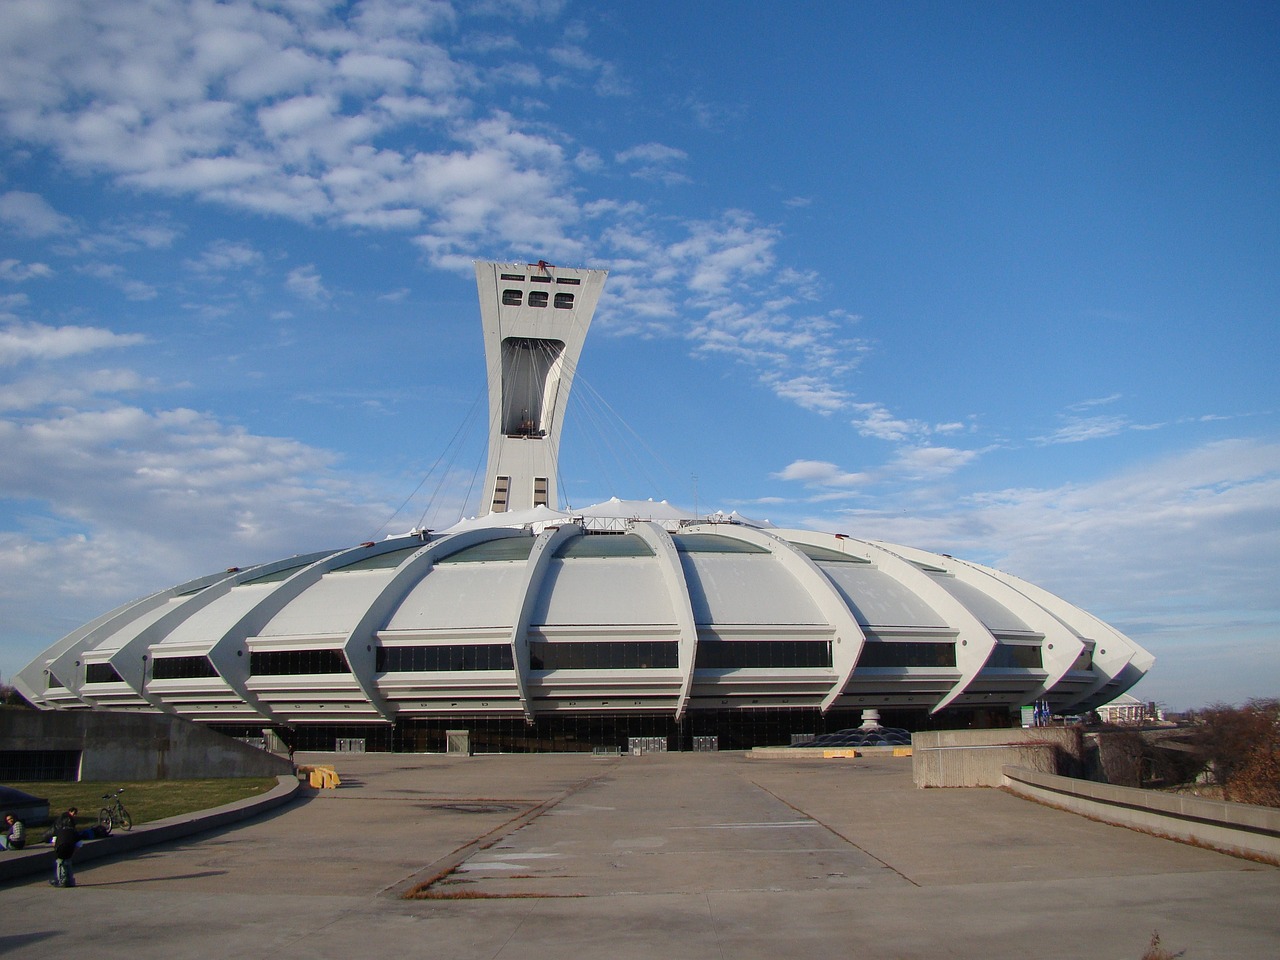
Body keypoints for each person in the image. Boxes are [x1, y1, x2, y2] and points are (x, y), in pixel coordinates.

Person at [51, 807, 78, 887]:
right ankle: (70, 880)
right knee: (68, 863)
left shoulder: (58, 831)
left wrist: (55, 850)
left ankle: (61, 880)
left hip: (61, 847)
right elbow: (79, 844)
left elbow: (53, 842)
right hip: (70, 848)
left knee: (60, 863)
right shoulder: (74, 831)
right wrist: (73, 852)